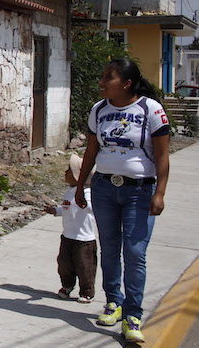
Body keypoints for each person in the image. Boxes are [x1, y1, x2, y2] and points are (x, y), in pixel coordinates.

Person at [75, 58, 170, 344]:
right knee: (110, 248)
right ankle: (113, 303)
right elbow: (90, 152)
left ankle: (133, 316)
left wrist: (160, 192)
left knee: (135, 252)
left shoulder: (150, 110)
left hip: (139, 192)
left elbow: (163, 155)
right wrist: (82, 186)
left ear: (126, 84)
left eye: (109, 77)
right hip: (104, 188)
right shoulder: (99, 110)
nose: (102, 82)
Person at [44, 154, 97, 304]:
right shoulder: (70, 191)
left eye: (69, 170)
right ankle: (67, 286)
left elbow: (93, 210)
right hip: (67, 236)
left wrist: (85, 205)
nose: (65, 172)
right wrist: (56, 211)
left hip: (83, 239)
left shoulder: (88, 194)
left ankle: (87, 291)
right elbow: (68, 208)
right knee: (65, 263)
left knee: (85, 266)